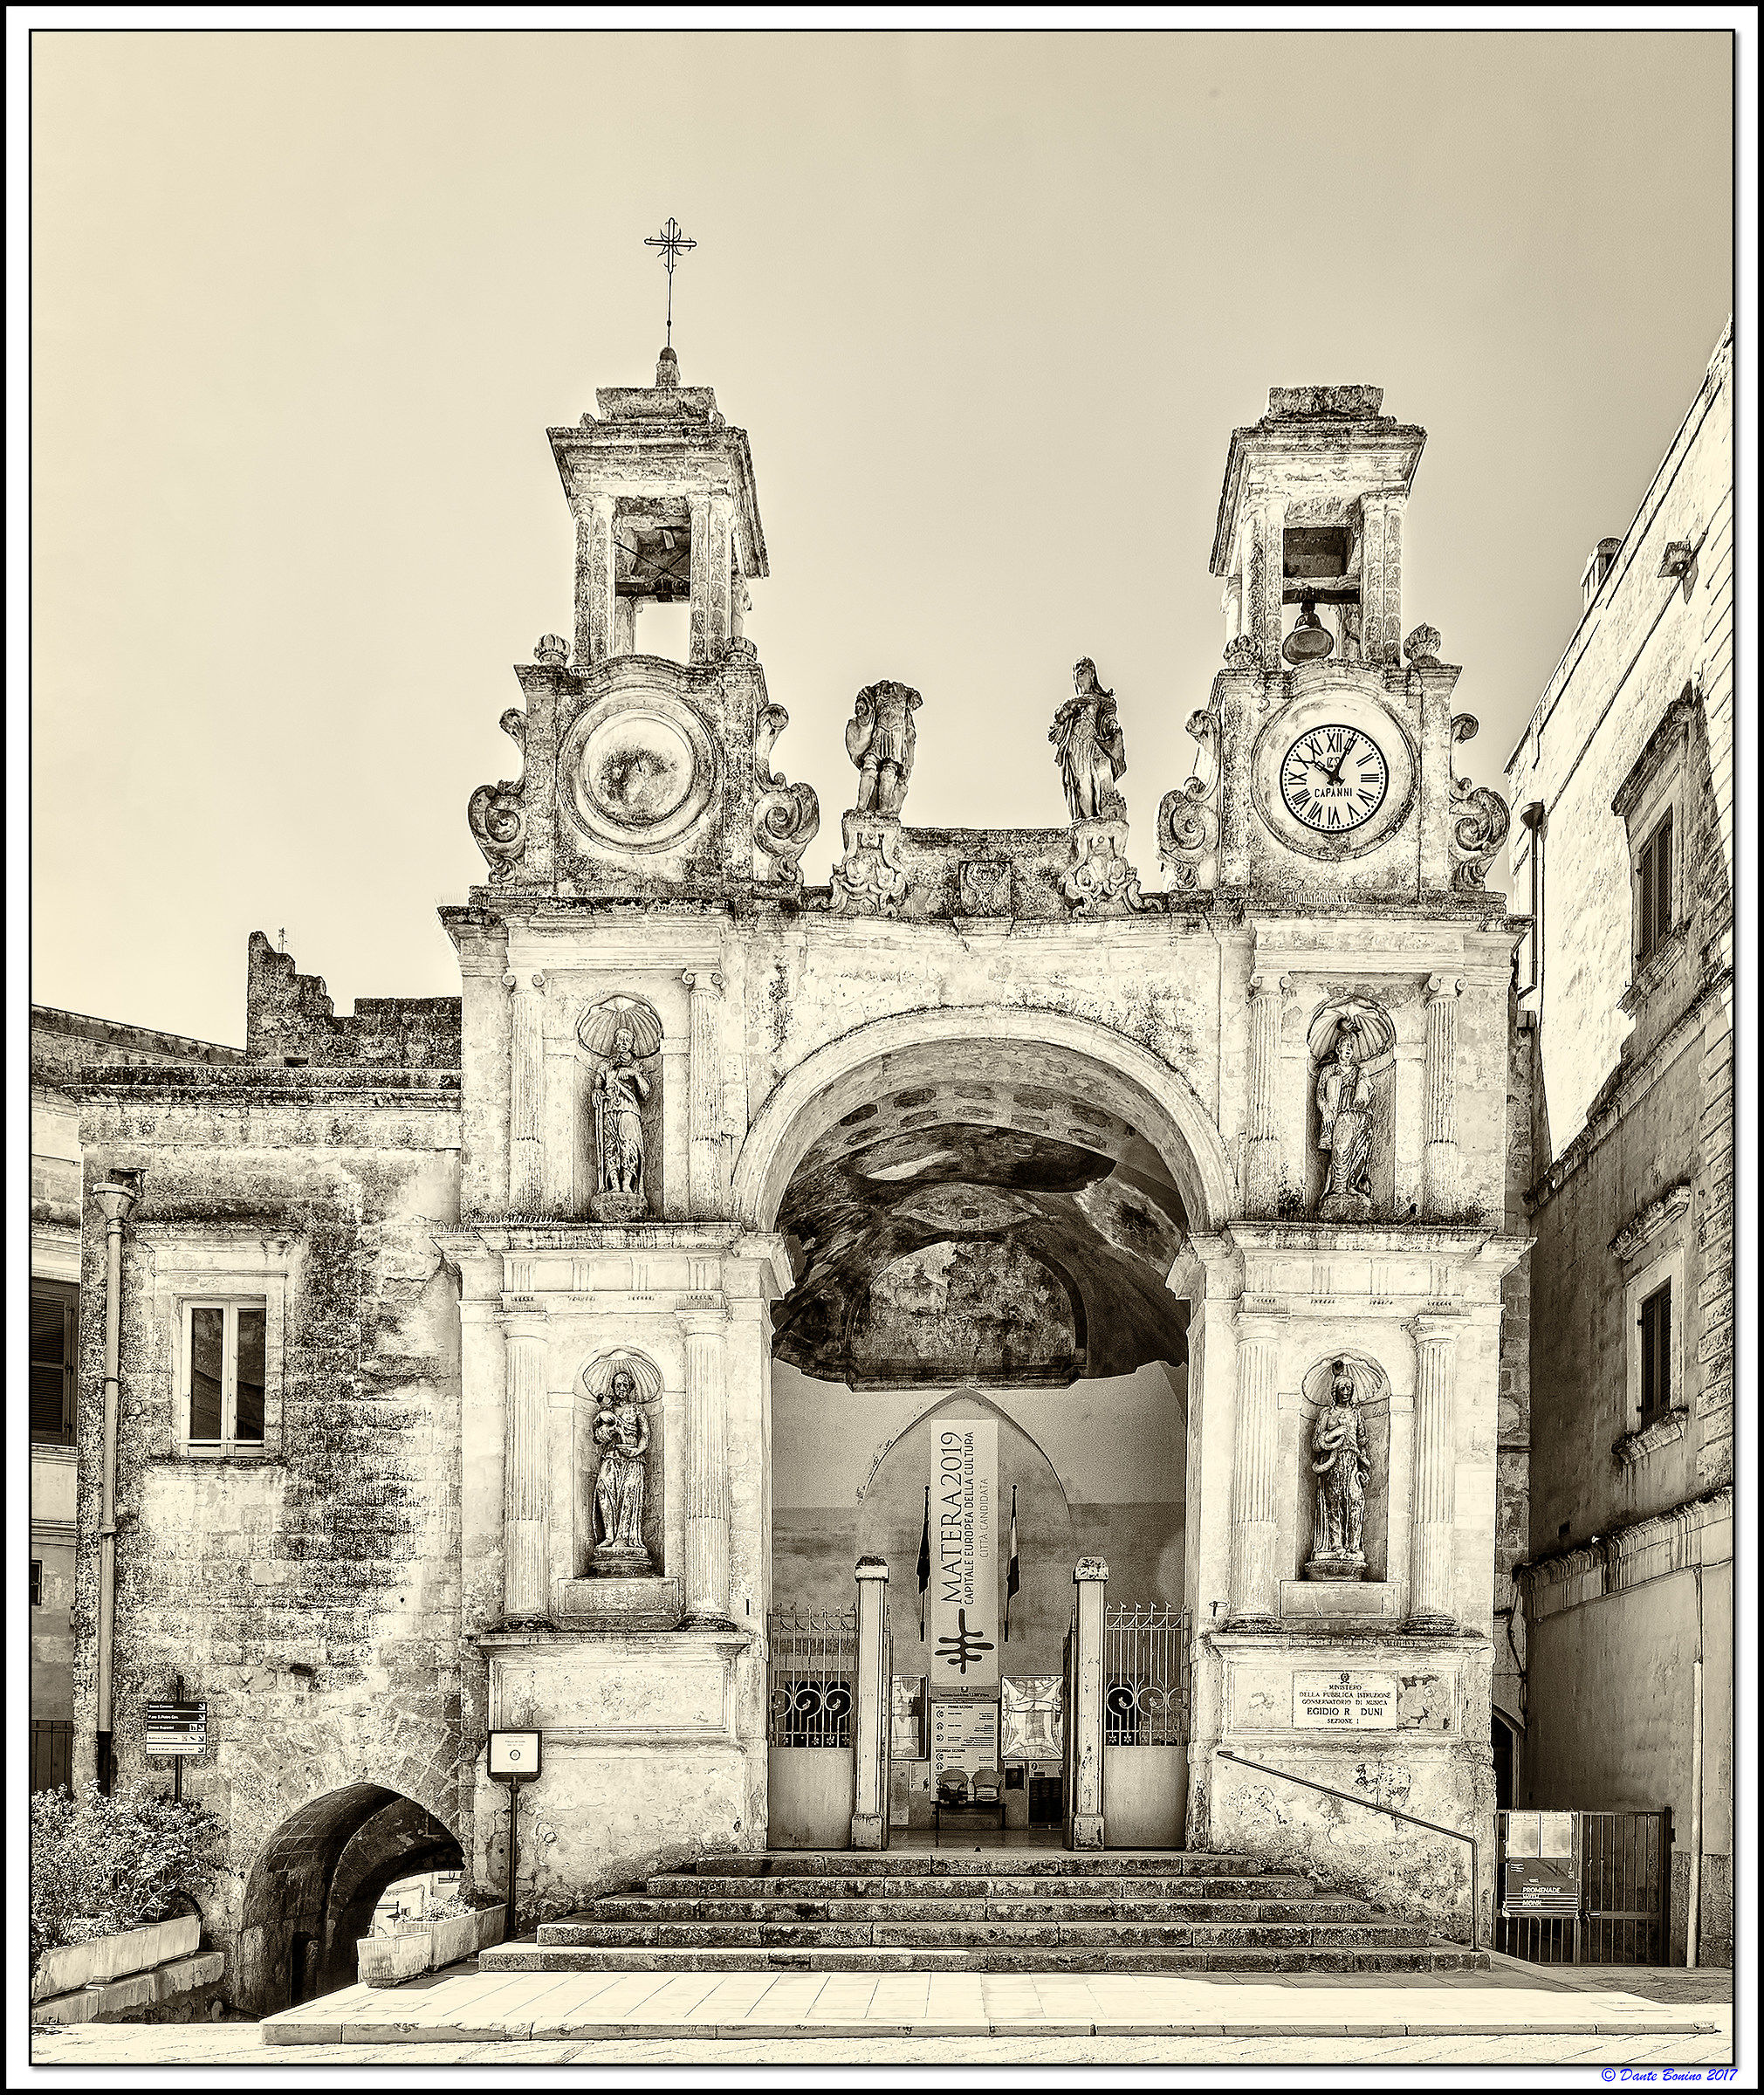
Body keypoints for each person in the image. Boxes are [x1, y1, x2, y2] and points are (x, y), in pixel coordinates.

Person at [1050, 659, 1127, 822]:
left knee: (1104, 769)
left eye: (1084, 669)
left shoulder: (1101, 700)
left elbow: (1109, 717)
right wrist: (1073, 703)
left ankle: (1108, 810)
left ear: (1092, 675)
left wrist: (1113, 727)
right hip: (1077, 746)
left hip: (1095, 742)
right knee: (1083, 783)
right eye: (1076, 670)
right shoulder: (1073, 704)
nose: (1079, 672)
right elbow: (1059, 718)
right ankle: (1087, 820)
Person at [593, 1367, 649, 1551]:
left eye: (625, 1385)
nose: (621, 1388)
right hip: (611, 1455)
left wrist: (636, 1451)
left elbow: (645, 1435)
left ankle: (623, 1537)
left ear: (630, 1387)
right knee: (603, 1488)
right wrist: (604, 1421)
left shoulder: (636, 1409)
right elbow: (597, 1438)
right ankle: (609, 1535)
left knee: (628, 1493)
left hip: (633, 1459)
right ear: (613, 1387)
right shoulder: (608, 1410)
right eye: (618, 1385)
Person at [1316, 1034, 1374, 1209]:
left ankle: (1352, 1186)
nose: (1348, 1049)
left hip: (1357, 1115)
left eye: (1351, 1046)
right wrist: (1326, 1111)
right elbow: (1320, 1094)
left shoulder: (1358, 1071)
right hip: (1339, 1115)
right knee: (1341, 1149)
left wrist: (1367, 1086)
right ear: (1338, 1049)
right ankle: (1338, 1188)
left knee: (1359, 1151)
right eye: (1345, 1045)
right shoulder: (1329, 1070)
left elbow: (1369, 1093)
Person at [595, 1024, 650, 1194]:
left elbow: (646, 1093)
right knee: (610, 1145)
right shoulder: (606, 1065)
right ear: (615, 1043)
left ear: (632, 1044)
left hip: (628, 1108)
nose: (623, 1043)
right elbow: (598, 1085)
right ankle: (614, 1185)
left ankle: (627, 1184)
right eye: (620, 1039)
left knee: (629, 1144)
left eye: (627, 1040)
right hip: (609, 1108)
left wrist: (635, 1074)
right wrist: (597, 1091)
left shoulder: (637, 1065)